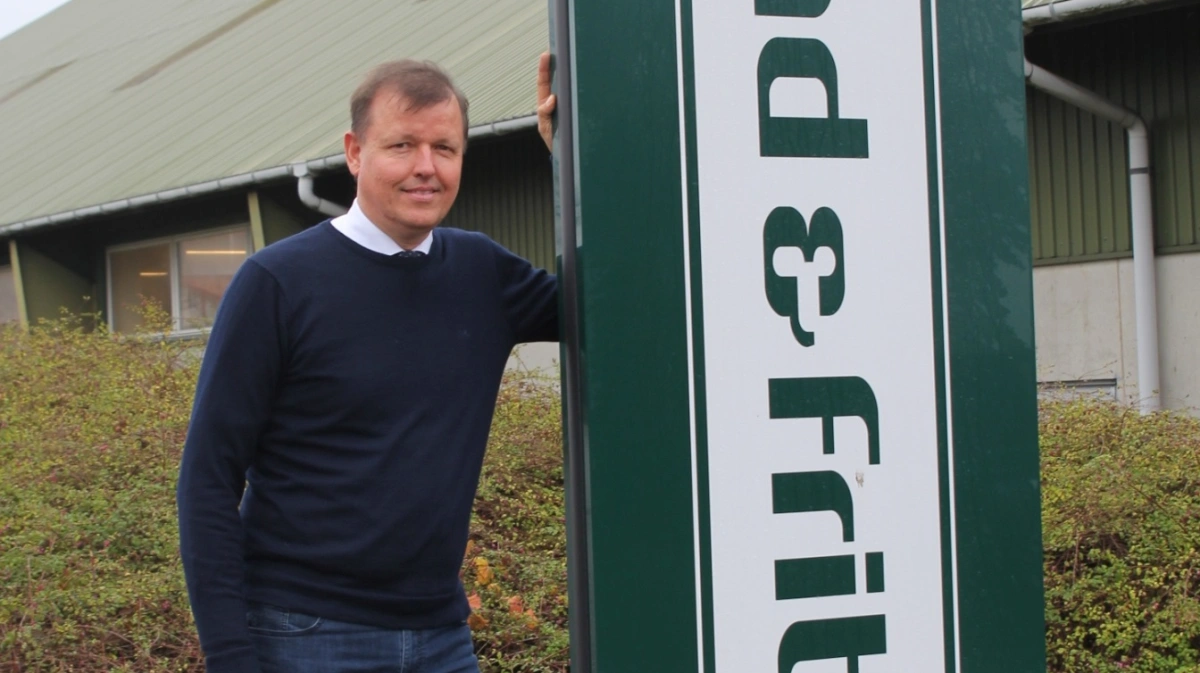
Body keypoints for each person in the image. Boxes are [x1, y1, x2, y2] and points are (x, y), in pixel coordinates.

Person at [176, 54, 560, 673]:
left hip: (442, 635)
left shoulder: (483, 273)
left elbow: (620, 298)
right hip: (303, 633)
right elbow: (208, 479)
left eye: (445, 148)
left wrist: (572, 156)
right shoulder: (277, 282)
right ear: (355, 152)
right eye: (401, 146)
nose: (425, 168)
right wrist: (230, 655)